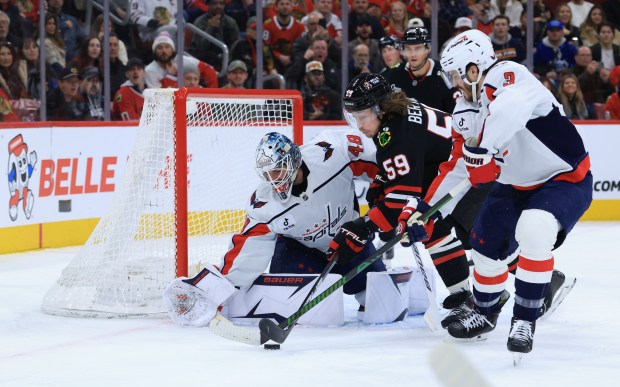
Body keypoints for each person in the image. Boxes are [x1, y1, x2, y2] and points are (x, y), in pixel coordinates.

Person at [439, 29, 592, 357]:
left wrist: (482, 148)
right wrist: (429, 208)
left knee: (534, 231)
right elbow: (460, 167)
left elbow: (508, 110)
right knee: (482, 247)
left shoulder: (510, 75)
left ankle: (524, 320)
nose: (455, 84)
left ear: (474, 68)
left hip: (563, 179)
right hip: (514, 186)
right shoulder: (474, 107)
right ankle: (484, 311)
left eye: (456, 74)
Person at [164, 130, 386, 325]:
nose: (273, 179)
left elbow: (380, 165)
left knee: (382, 304)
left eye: (277, 170)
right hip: (300, 252)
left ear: (294, 161)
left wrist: (392, 200)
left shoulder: (332, 156)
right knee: (297, 311)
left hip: (348, 242)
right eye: (267, 173)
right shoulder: (265, 202)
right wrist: (214, 291)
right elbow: (246, 250)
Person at [336, 72, 473, 327]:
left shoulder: (395, 133)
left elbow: (402, 197)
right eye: (354, 118)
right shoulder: (398, 112)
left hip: (470, 172)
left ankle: (533, 281)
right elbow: (415, 164)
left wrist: (364, 226)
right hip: (455, 169)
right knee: (434, 225)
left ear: (379, 108)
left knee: (482, 239)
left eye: (362, 116)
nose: (360, 125)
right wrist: (383, 184)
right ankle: (465, 296)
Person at [384, 27, 456, 118]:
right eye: (408, 49)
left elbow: (455, 116)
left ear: (428, 49)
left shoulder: (446, 75)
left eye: (418, 48)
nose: (413, 54)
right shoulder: (393, 74)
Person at [190, 0, 239, 71]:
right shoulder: (200, 22)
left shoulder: (230, 22)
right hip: (205, 59)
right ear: (208, 5)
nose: (218, 6)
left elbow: (236, 45)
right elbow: (201, 47)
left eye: (221, 4)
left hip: (226, 58)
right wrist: (211, 27)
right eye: (214, 3)